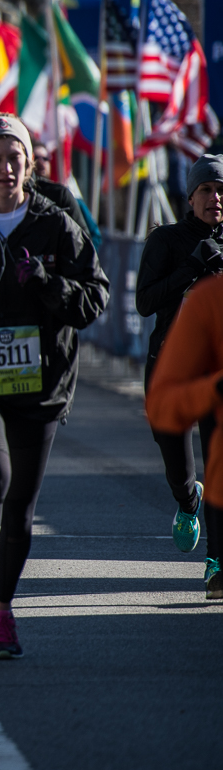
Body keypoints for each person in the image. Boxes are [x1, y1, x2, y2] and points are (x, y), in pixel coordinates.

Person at [0, 114, 108, 659]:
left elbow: (94, 300)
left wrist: (47, 283)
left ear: (29, 166)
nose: (6, 168)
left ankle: (5, 608)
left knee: (23, 507)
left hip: (41, 382)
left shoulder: (56, 224)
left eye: (16, 159)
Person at [137, 154, 223, 555]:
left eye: (222, 190)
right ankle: (188, 501)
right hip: (171, 369)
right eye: (206, 189)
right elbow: (145, 301)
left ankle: (217, 562)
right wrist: (191, 267)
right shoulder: (166, 240)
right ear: (190, 197)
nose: (215, 197)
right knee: (177, 464)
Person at [145, 269, 223, 599]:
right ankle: (191, 505)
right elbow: (162, 404)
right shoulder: (211, 299)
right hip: (185, 375)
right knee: (179, 464)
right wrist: (214, 389)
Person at [31, 144, 102, 251]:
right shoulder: (22, 197)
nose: (41, 162)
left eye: (45, 158)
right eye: (36, 158)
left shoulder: (64, 195)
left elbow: (92, 235)